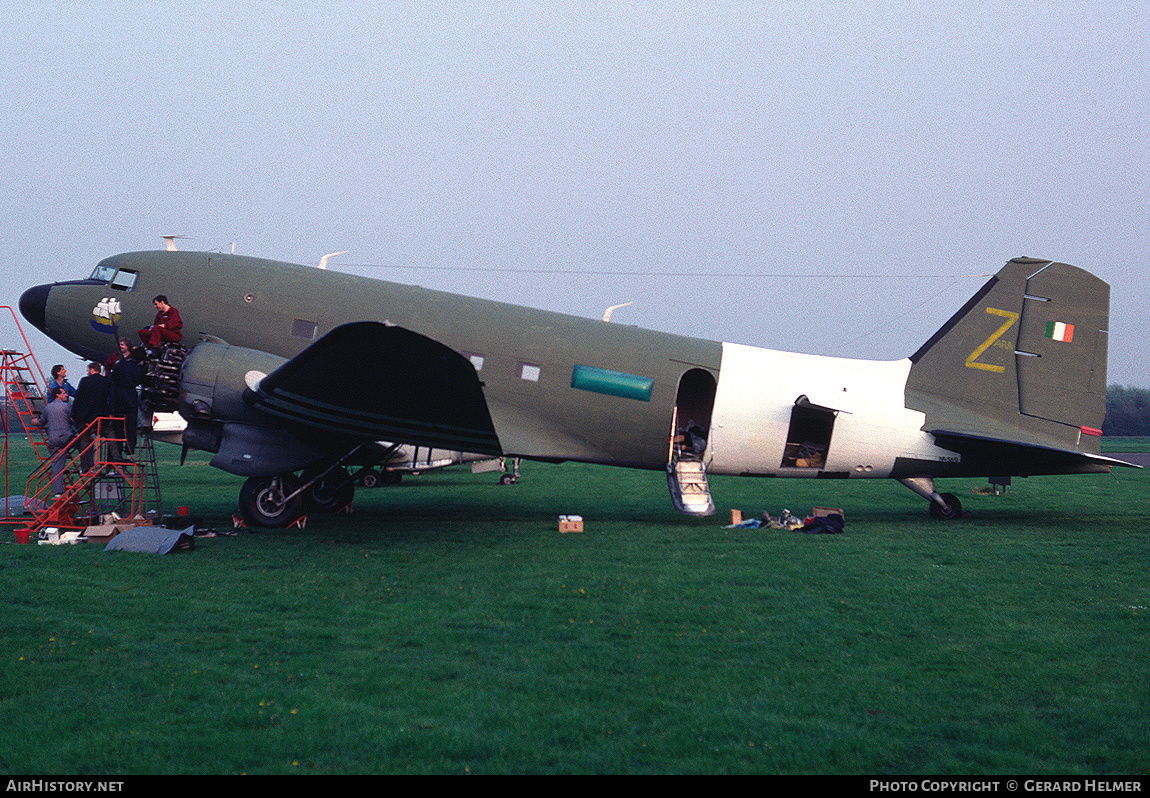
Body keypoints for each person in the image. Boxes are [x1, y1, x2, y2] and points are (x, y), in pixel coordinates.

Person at [71, 362, 113, 472]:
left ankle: (85, 467)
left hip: (84, 415)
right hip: (100, 416)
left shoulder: (85, 381)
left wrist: (73, 414)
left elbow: (78, 398)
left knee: (84, 439)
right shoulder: (106, 381)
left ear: (91, 369)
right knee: (110, 433)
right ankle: (115, 457)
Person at [109, 346, 145, 460]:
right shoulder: (139, 369)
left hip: (118, 396)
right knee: (131, 426)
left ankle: (117, 452)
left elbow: (113, 377)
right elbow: (141, 380)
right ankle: (130, 451)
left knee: (117, 425)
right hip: (130, 396)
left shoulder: (120, 365)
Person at [38, 386, 74, 495]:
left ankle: (58, 493)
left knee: (57, 466)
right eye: (64, 393)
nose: (66, 395)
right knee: (87, 442)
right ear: (57, 395)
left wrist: (35, 421)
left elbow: (41, 423)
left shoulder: (48, 407)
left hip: (53, 440)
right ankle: (87, 467)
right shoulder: (66, 406)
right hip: (66, 438)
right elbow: (73, 420)